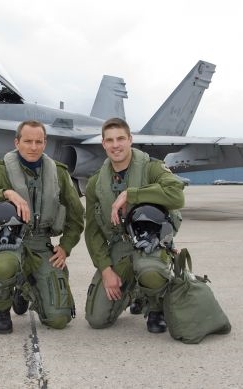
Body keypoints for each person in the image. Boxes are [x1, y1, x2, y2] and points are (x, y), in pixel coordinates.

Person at [0, 120, 85, 334]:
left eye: (39, 142)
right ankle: (1, 310)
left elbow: (76, 216)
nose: (33, 147)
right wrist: (4, 193)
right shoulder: (0, 171)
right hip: (10, 242)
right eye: (28, 141)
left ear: (45, 143)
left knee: (59, 319)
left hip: (41, 243)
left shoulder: (58, 173)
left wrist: (65, 246)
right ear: (17, 142)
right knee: (3, 266)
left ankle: (24, 288)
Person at [84, 117, 185, 333]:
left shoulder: (152, 169)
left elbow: (177, 196)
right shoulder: (96, 183)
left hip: (150, 245)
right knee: (97, 319)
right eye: (109, 140)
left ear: (130, 140)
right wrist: (105, 269)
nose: (116, 145)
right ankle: (135, 291)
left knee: (149, 270)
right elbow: (92, 231)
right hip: (119, 248)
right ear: (103, 144)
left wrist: (133, 194)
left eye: (121, 138)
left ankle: (156, 306)